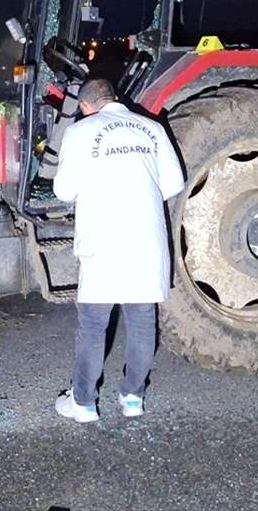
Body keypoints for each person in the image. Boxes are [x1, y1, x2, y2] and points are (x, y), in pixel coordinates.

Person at [50, 78, 185, 422]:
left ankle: (83, 402)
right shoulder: (151, 127)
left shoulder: (81, 131)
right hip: (146, 241)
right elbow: (173, 184)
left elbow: (64, 191)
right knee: (142, 322)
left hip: (104, 240)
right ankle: (132, 398)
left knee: (94, 324)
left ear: (84, 106)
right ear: (115, 99)